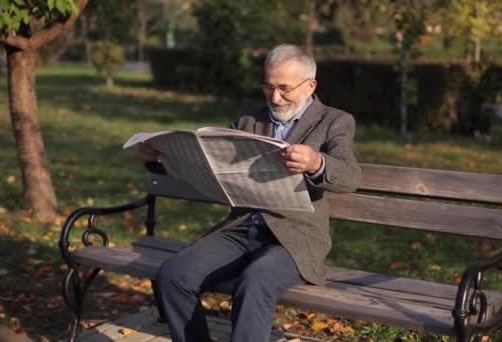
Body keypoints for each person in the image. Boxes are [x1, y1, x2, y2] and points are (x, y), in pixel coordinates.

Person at [138, 44, 361, 342]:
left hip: (295, 238)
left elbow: (350, 176)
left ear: (310, 86)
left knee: (254, 281)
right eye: (268, 87)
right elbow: (209, 165)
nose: (275, 97)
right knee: (173, 275)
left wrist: (316, 162)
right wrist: (161, 159)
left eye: (284, 88)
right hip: (241, 228)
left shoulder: (335, 121)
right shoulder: (249, 120)